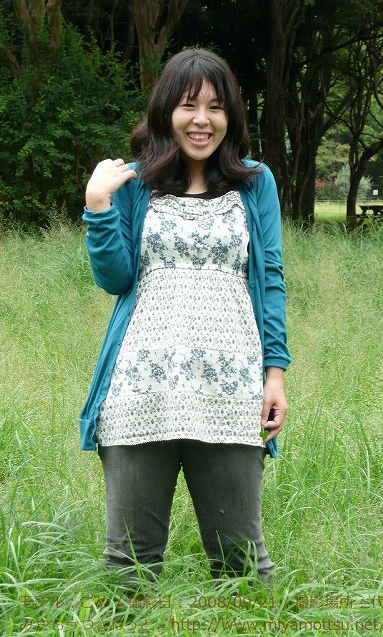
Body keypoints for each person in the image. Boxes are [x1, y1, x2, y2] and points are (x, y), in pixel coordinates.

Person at [79, 47, 291, 586]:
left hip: (230, 389)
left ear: (231, 116)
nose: (202, 120)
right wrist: (98, 206)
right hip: (140, 388)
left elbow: (270, 279)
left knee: (244, 568)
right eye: (189, 105)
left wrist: (275, 374)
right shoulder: (134, 183)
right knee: (129, 569)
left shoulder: (255, 182)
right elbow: (116, 278)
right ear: (165, 110)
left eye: (215, 107)